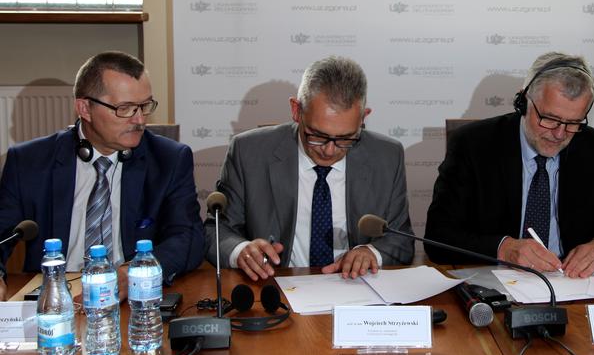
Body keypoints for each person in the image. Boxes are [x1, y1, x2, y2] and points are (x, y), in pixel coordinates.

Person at [0, 51, 204, 300]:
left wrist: (137, 272)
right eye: (125, 108)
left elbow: (189, 237)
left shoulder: (169, 159)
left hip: (132, 300)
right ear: (85, 108)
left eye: (145, 105)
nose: (140, 119)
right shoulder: (29, 162)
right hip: (55, 301)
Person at [207, 55, 414, 280]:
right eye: (318, 135)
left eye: (346, 138)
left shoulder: (386, 156)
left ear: (363, 117)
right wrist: (241, 251)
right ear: (296, 110)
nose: (329, 150)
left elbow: (401, 239)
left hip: (356, 288)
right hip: (277, 288)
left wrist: (370, 252)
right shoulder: (248, 152)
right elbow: (216, 231)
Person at [424, 52, 594, 278]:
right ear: (522, 102)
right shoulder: (474, 144)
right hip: (498, 279)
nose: (560, 134)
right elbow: (437, 238)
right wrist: (503, 248)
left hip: (571, 282)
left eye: (573, 122)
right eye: (549, 119)